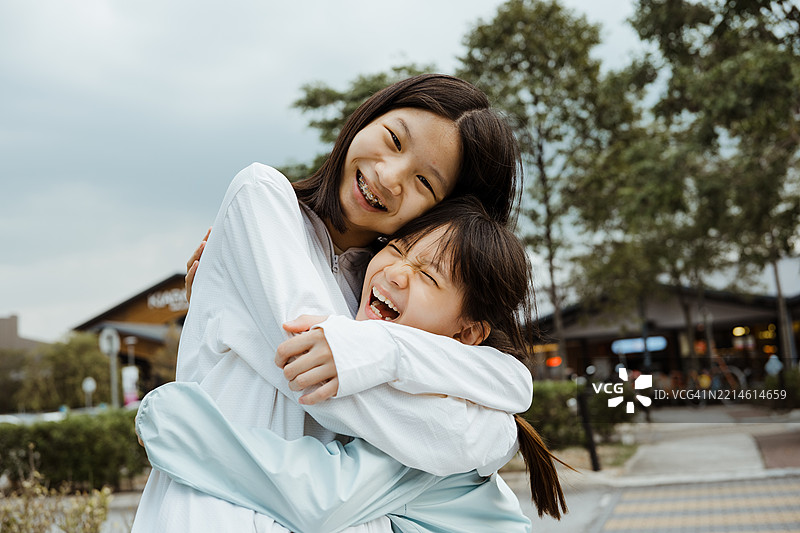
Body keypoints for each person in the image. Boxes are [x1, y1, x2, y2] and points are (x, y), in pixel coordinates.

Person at [131, 74, 532, 532]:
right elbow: (320, 389)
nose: (388, 176)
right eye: (393, 139)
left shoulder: (381, 291)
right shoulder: (263, 200)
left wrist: (383, 352)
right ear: (368, 117)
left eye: (424, 181)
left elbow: (509, 381)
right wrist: (480, 427)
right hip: (210, 514)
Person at [137, 198, 568, 532]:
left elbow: (319, 499)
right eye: (397, 249)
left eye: (429, 276)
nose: (397, 273)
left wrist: (169, 423)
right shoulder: (430, 378)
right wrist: (223, 300)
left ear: (467, 333)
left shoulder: (448, 416)